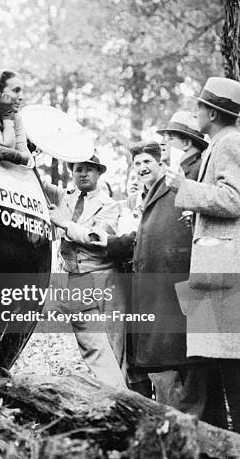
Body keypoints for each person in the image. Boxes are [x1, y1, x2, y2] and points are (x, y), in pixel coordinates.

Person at [93, 141, 212, 417]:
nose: (142, 168)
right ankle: (170, 422)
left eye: (148, 162)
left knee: (181, 361)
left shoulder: (174, 188)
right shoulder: (145, 197)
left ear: (161, 163)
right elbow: (140, 238)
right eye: (137, 164)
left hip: (176, 287)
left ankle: (183, 424)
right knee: (162, 363)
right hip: (152, 291)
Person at [166, 76, 240, 432]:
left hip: (224, 270)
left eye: (198, 106)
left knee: (230, 365)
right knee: (211, 364)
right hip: (215, 270)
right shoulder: (218, 143)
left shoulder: (230, 143)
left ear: (211, 111)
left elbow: (233, 199)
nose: (194, 111)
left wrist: (187, 189)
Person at [42, 154, 126, 389]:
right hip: (75, 279)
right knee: (91, 346)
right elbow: (36, 180)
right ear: (72, 172)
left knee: (112, 345)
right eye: (78, 169)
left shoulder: (109, 205)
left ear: (99, 173)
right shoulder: (63, 197)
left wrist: (64, 223)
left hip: (104, 278)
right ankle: (109, 399)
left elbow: (95, 238)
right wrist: (26, 152)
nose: (83, 174)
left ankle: (122, 400)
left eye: (90, 169)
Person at [157, 111, 208, 180]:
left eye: (170, 138)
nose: (162, 143)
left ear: (186, 143)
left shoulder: (202, 170)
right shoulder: (174, 170)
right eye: (165, 137)